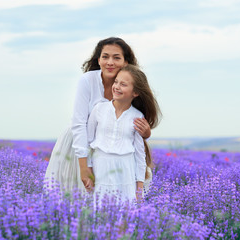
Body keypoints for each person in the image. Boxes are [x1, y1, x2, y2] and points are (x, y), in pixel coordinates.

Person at [44, 37, 153, 194]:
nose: (110, 62)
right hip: (79, 145)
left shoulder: (129, 84)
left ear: (126, 62)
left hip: (114, 150)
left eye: (116, 57)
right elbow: (79, 123)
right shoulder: (87, 80)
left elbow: (134, 120)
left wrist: (146, 133)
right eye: (105, 56)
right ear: (98, 59)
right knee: (75, 199)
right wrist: (83, 166)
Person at [85, 64, 160, 202]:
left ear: (135, 92)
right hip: (100, 166)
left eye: (123, 84)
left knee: (124, 213)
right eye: (116, 82)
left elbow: (139, 155)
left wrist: (139, 190)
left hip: (125, 170)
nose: (117, 87)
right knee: (99, 211)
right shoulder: (99, 109)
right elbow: (88, 142)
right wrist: (88, 171)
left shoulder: (137, 117)